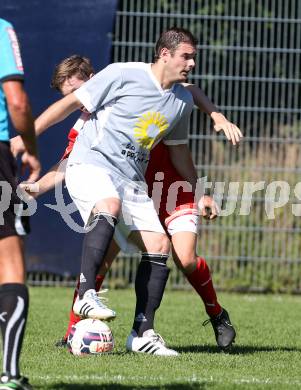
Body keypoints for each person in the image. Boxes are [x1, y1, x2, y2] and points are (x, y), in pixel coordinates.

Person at [20, 46, 240, 353]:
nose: (77, 103)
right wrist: (26, 191)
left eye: (78, 91)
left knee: (184, 256)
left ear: (93, 80)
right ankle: (78, 328)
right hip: (132, 187)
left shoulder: (132, 84)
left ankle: (214, 315)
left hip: (172, 188)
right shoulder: (88, 124)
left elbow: (190, 90)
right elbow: (66, 166)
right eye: (68, 95)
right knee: (104, 252)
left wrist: (216, 115)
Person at [0, 18, 41, 390]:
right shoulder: (2, 28)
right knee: (10, 263)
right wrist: (30, 144)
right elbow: (17, 101)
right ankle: (10, 376)